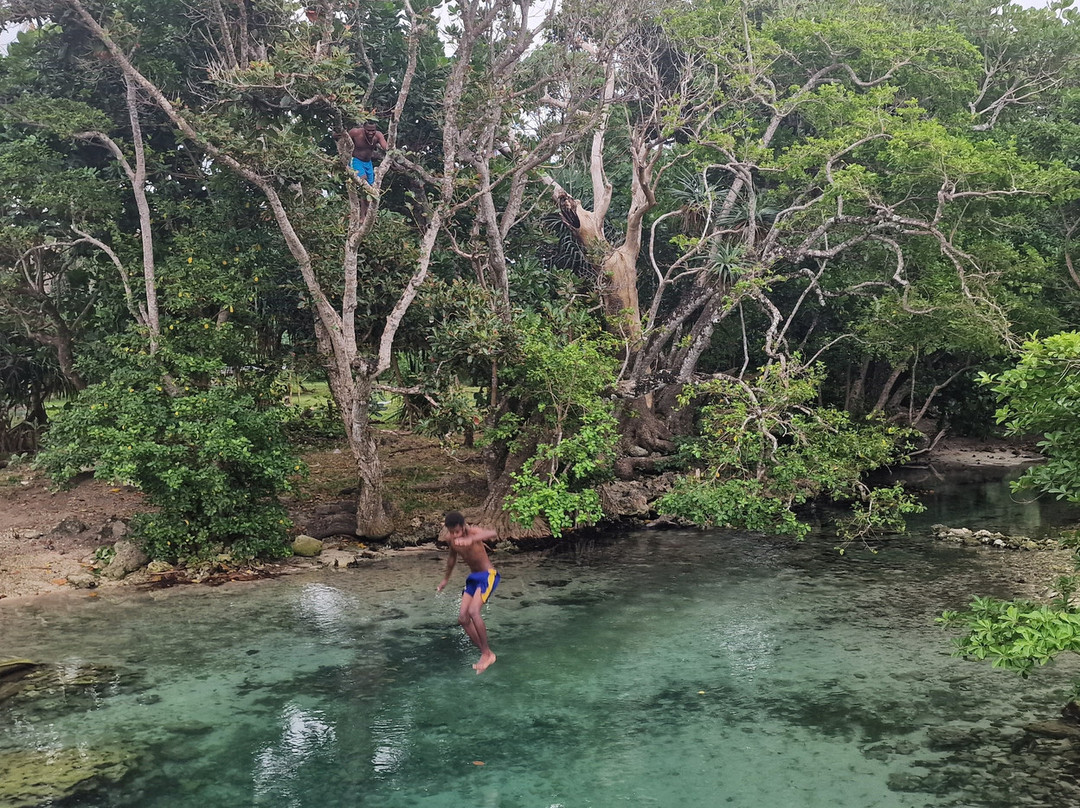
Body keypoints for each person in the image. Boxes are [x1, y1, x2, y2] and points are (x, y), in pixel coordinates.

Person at [437, 511, 499, 673]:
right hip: (473, 578)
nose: (454, 535)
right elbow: (452, 559)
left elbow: (493, 533)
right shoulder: (453, 540)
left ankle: (486, 653)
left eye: (457, 531)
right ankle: (486, 653)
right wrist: (445, 580)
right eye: (451, 532)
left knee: (473, 611)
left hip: (488, 576)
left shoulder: (473, 532)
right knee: (463, 618)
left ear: (463, 527)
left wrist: (472, 539)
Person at [346, 120, 388, 186]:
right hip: (356, 160)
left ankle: (365, 196)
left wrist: (393, 151)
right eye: (368, 130)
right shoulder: (355, 133)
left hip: (368, 163)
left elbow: (386, 147)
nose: (370, 133)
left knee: (371, 185)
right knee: (363, 180)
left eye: (373, 130)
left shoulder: (378, 135)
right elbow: (344, 139)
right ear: (364, 128)